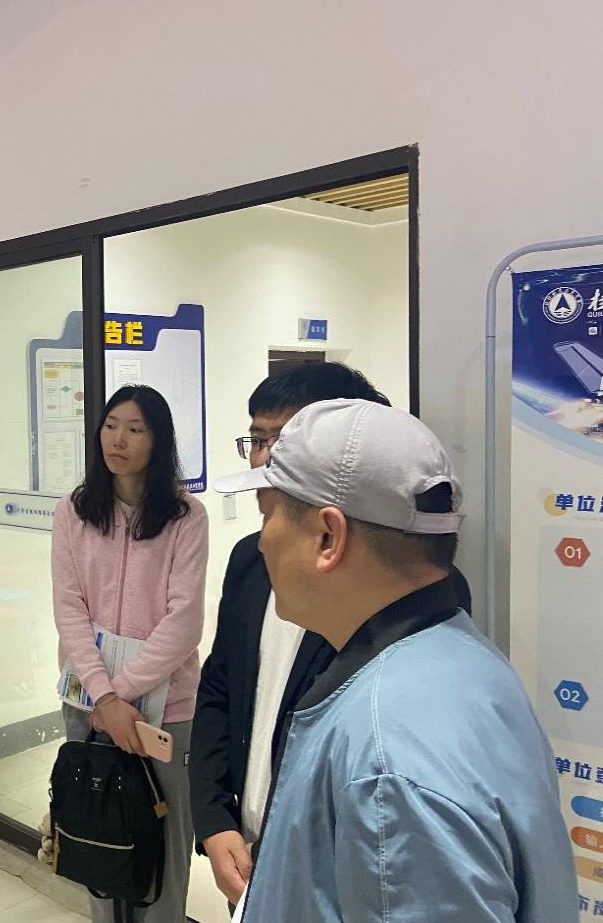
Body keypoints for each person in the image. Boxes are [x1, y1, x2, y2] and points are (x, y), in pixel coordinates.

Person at [212, 398, 576, 922]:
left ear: (328, 537)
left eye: (269, 515)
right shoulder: (467, 662)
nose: (263, 541)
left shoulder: (388, 763)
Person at [188, 363, 475, 909]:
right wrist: (214, 819)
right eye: (257, 440)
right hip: (249, 855)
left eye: (285, 442)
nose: (265, 461)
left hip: (331, 876)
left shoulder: (420, 610)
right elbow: (219, 687)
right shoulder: (250, 561)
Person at [52, 384, 208, 923]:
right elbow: (69, 609)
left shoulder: (186, 516)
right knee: (96, 835)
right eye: (111, 425)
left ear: (157, 440)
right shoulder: (74, 511)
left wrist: (119, 696)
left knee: (165, 845)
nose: (117, 439)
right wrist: (103, 698)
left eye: (135, 429)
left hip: (166, 710)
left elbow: (184, 621)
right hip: (88, 704)